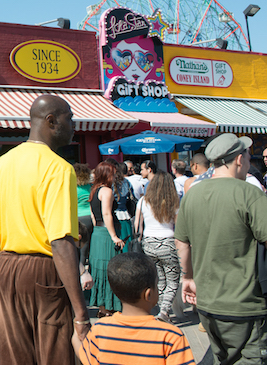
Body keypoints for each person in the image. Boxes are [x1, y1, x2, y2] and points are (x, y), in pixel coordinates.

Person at [0, 95, 89, 365]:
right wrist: (81, 313)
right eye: (70, 118)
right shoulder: (59, 169)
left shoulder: (2, 164)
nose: (74, 124)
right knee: (54, 352)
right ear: (51, 121)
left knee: (12, 355)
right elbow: (61, 242)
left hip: (5, 267)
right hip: (45, 271)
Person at [176, 134, 267, 364]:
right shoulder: (250, 193)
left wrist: (187, 277)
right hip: (244, 304)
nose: (249, 161)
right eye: (247, 155)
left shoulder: (192, 193)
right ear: (239, 159)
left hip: (207, 304)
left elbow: (182, 243)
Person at [72, 252, 195, 365]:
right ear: (149, 294)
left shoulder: (100, 329)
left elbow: (85, 354)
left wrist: (76, 327)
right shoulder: (171, 337)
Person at [134, 171, 180, 323]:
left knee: (159, 279)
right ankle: (164, 311)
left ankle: (162, 310)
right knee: (173, 280)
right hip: (168, 242)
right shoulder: (174, 202)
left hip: (149, 243)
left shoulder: (143, 201)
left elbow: (137, 225)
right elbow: (179, 226)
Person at [88, 161, 124, 316]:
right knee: (111, 269)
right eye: (113, 173)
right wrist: (114, 236)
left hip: (97, 233)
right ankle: (110, 306)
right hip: (106, 233)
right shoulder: (107, 191)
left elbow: (93, 215)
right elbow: (107, 213)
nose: (115, 176)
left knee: (99, 270)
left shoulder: (94, 190)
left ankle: (102, 308)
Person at [74, 163, 94, 290]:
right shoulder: (90, 187)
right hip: (90, 218)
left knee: (81, 250)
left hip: (78, 219)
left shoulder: (72, 187)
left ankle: (81, 276)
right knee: (89, 250)